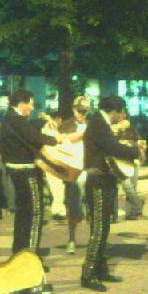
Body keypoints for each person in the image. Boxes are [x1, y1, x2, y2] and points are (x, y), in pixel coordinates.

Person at [81, 96, 143, 292]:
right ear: (114, 111)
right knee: (99, 228)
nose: (122, 116)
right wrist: (135, 151)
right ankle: (88, 273)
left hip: (105, 179)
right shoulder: (98, 122)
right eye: (121, 112)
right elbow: (111, 146)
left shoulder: (101, 122)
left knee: (105, 226)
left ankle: (101, 269)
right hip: (97, 180)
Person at [0, 89, 60, 262]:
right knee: (35, 212)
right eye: (30, 104)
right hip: (26, 170)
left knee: (23, 212)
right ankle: (31, 258)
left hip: (15, 170)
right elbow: (36, 138)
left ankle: (19, 253)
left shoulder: (8, 119)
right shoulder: (17, 120)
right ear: (21, 104)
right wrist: (58, 140)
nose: (32, 108)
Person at [59, 96, 90, 254]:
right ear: (74, 109)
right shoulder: (66, 125)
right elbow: (60, 144)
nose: (82, 114)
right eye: (80, 111)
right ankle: (71, 239)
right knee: (72, 207)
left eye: (85, 111)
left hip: (88, 169)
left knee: (92, 206)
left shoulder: (92, 125)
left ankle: (94, 239)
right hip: (72, 170)